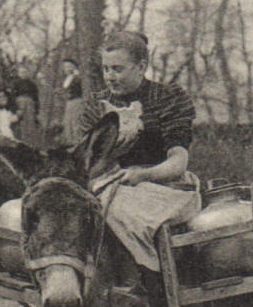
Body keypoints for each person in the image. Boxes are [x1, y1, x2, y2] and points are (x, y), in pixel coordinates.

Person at [78, 31, 201, 276]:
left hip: (166, 186)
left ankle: (149, 281)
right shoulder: (96, 105)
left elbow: (178, 162)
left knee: (120, 214)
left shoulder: (168, 98)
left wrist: (144, 175)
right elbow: (85, 165)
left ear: (141, 67)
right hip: (108, 185)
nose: (110, 77)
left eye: (117, 69)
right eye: (105, 69)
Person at [58, 57, 85, 142]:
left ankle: (77, 143)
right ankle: (70, 143)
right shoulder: (68, 78)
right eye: (65, 67)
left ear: (74, 67)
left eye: (69, 66)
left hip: (77, 101)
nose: (67, 69)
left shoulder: (77, 76)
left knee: (75, 123)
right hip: (69, 102)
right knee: (67, 123)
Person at [10, 75, 41, 145]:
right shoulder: (15, 83)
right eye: (21, 72)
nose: (23, 73)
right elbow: (12, 97)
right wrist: (16, 109)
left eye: (25, 72)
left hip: (30, 105)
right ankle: (23, 143)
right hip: (20, 105)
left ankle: (31, 143)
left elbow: (36, 98)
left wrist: (37, 111)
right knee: (21, 123)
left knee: (30, 124)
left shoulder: (32, 84)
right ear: (18, 73)